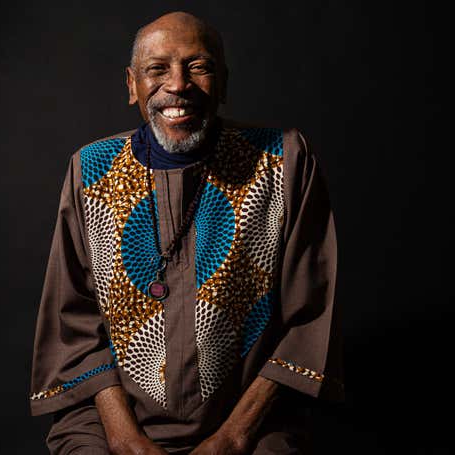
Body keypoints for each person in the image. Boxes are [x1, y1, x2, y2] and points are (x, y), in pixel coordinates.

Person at [29, 11, 343, 454]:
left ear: (224, 82)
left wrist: (234, 437)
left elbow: (309, 319)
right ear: (131, 84)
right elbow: (75, 322)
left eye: (199, 66)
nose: (178, 85)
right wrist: (123, 437)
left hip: (251, 418)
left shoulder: (285, 160)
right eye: (157, 69)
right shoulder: (91, 169)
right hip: (109, 419)